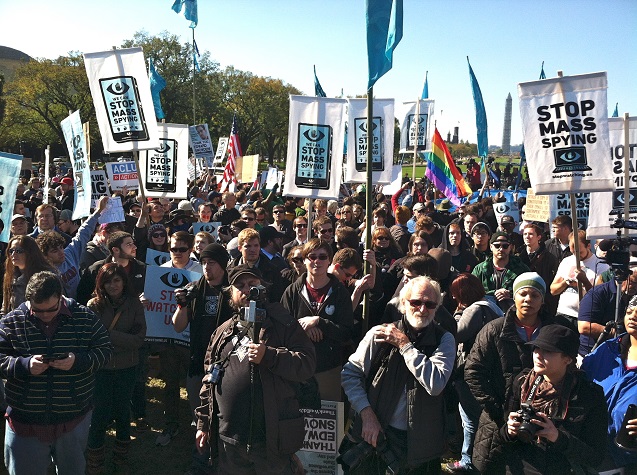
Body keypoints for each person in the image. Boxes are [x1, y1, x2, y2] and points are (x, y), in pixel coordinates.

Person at [194, 265, 316, 473]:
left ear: (263, 287)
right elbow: (209, 380)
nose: (246, 289)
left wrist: (270, 356)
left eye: (252, 284)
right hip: (228, 441)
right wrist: (203, 424)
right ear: (230, 293)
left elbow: (306, 364)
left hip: (269, 442)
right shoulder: (222, 332)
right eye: (239, 285)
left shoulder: (283, 324)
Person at [0, 271, 112, 475]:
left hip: (73, 418)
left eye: (50, 309)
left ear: (61, 298)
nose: (45, 316)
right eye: (37, 311)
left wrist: (77, 361)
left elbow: (105, 351)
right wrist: (23, 365)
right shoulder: (12, 321)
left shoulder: (85, 317)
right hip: (25, 421)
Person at [340, 275, 455, 474]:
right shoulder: (379, 334)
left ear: (437, 308)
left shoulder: (444, 340)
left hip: (422, 446)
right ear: (403, 303)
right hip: (376, 436)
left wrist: (404, 345)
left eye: (429, 304)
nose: (422, 309)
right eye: (416, 302)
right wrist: (366, 414)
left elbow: (435, 384)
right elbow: (350, 374)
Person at [465, 273, 575, 473]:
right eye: (523, 293)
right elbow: (473, 371)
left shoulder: (556, 330)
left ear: (543, 300)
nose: (528, 300)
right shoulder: (494, 330)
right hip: (499, 419)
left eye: (535, 295)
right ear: (513, 297)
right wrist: (497, 408)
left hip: (546, 420)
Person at [494, 325, 607, 474]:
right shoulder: (522, 382)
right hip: (521, 467)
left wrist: (557, 437)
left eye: (548, 351)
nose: (538, 355)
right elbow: (501, 436)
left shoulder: (589, 395)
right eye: (536, 348)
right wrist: (509, 431)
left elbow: (595, 457)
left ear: (567, 359)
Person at [172, 243, 233, 473]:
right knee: (201, 418)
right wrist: (182, 304)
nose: (207, 267)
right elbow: (178, 327)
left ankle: (223, 463)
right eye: (204, 262)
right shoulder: (193, 289)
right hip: (199, 364)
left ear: (223, 265)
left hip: (227, 366)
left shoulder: (232, 291)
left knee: (225, 418)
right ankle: (201, 463)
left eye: (212, 262)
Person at [86, 263, 146, 474]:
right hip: (101, 369)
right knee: (99, 414)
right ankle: (95, 460)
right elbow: (91, 339)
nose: (113, 285)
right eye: (108, 281)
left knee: (122, 412)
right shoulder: (93, 305)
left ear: (124, 281)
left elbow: (138, 339)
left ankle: (121, 458)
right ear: (101, 283)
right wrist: (122, 339)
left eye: (117, 280)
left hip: (126, 367)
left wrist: (109, 336)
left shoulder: (134, 304)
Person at [282, 239, 353, 401]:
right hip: (297, 368)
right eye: (312, 257)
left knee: (328, 420)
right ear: (305, 260)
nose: (317, 261)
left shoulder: (340, 292)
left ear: (329, 260)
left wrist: (320, 322)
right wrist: (303, 328)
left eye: (322, 257)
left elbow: (347, 333)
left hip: (329, 368)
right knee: (297, 421)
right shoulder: (292, 291)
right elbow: (282, 329)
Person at [445, 273, 503, 473]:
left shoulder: (475, 309)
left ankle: (468, 461)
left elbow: (458, 333)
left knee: (469, 418)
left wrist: (457, 314)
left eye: (455, 294)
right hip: (490, 369)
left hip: (471, 370)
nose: (453, 298)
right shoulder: (492, 304)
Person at [581, 296, 637, 471]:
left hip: (630, 460)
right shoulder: (607, 350)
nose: (633, 316)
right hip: (592, 451)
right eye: (629, 311)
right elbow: (580, 386)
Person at [36, 196, 109, 299]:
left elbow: (83, 232)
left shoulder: (69, 253)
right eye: (54, 251)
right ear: (45, 255)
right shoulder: (42, 273)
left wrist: (98, 211)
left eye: (61, 247)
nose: (61, 252)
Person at [550, 230, 609, 327]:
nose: (576, 256)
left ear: (588, 246)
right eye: (573, 252)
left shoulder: (601, 266)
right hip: (564, 314)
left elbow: (600, 298)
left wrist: (584, 282)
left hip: (585, 318)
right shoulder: (567, 261)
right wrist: (565, 282)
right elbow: (553, 290)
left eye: (580, 252)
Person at [472, 231, 530, 312]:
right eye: (497, 245)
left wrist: (510, 294)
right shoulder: (480, 269)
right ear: (491, 247)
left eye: (505, 246)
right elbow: (472, 292)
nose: (501, 249)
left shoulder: (521, 269)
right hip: (485, 312)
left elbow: (529, 291)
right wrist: (493, 293)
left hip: (513, 312)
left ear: (510, 247)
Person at [1, 236, 56, 315]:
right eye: (11, 251)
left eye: (19, 251)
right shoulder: (10, 276)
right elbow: (5, 308)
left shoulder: (46, 276)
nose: (13, 254)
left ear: (30, 252)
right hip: (16, 323)